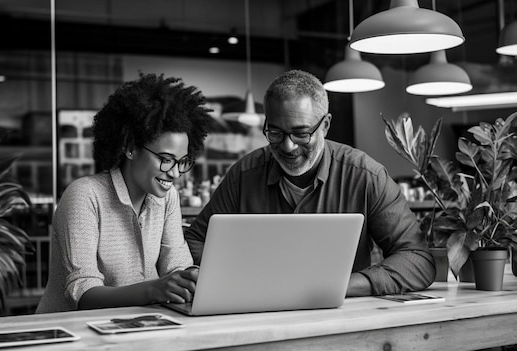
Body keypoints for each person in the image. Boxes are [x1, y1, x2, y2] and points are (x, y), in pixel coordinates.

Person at [184, 69, 435, 297]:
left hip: (343, 315)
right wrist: (239, 277)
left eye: (301, 133)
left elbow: (417, 259)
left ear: (325, 125)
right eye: (275, 132)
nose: (288, 146)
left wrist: (338, 286)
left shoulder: (366, 176)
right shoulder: (244, 175)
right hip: (259, 310)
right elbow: (195, 240)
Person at [36, 73, 211, 313]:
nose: (175, 173)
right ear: (130, 148)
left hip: (132, 327)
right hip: (70, 333)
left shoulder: (167, 198)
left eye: (182, 161)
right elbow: (83, 293)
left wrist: (192, 277)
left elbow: (176, 266)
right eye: (166, 160)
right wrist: (154, 289)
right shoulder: (85, 195)